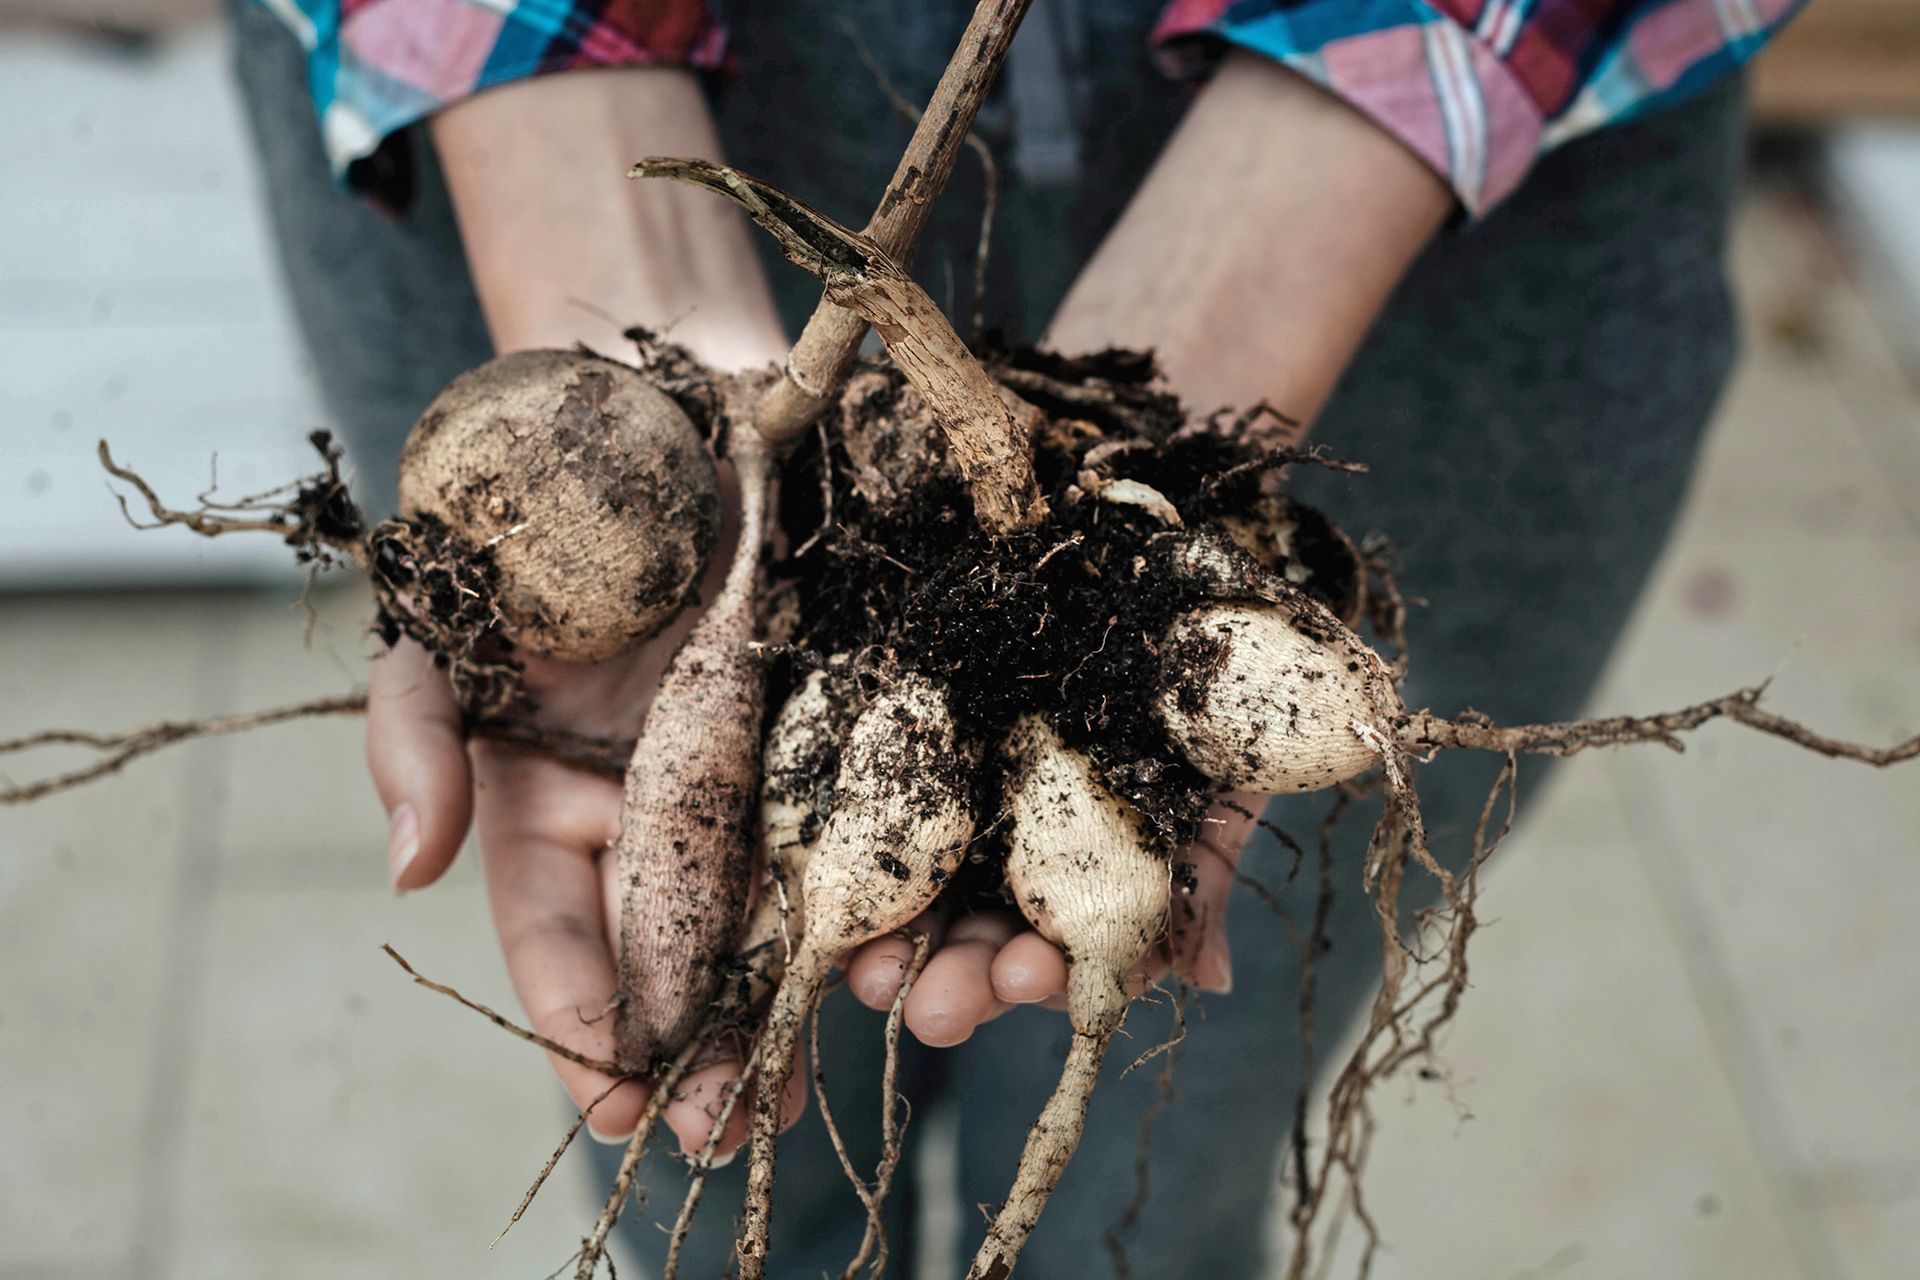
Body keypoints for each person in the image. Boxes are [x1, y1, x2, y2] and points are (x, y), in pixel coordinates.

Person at [232, 0, 1797, 1272]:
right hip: (526, 113)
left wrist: (1292, 197)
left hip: (1457, 184)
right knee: (705, 1167)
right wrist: (582, 171)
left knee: (1165, 1161)